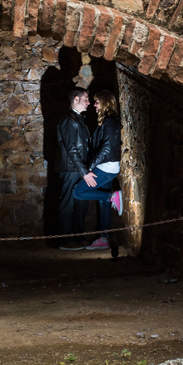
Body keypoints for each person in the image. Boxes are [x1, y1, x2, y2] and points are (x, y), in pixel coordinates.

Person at [68, 90, 124, 251]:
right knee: (103, 202)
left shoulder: (111, 121)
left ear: (106, 102)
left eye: (97, 102)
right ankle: (104, 238)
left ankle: (112, 196)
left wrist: (89, 167)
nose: (94, 105)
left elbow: (106, 148)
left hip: (106, 167)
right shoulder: (106, 121)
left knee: (78, 192)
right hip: (106, 166)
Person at [54, 88, 91, 247]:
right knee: (68, 204)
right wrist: (84, 172)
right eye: (86, 99)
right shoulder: (69, 120)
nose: (88, 102)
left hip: (77, 169)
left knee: (80, 203)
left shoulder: (77, 119)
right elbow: (71, 148)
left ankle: (78, 236)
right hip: (70, 169)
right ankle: (65, 239)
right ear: (76, 99)